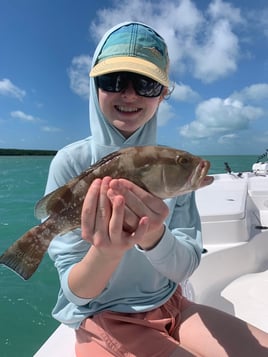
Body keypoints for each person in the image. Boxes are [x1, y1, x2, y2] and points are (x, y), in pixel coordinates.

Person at [45, 21, 268, 356]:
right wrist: (107, 251)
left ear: (163, 93)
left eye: (147, 84)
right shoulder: (70, 162)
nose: (130, 93)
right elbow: (76, 294)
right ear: (95, 85)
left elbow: (186, 265)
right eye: (114, 80)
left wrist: (154, 237)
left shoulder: (173, 172)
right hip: (104, 319)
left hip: (172, 304)